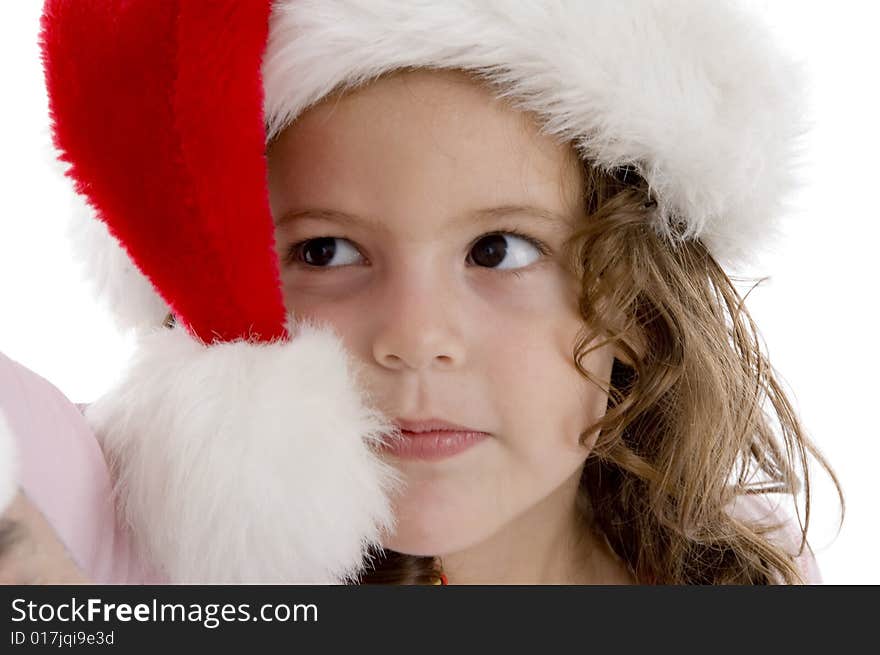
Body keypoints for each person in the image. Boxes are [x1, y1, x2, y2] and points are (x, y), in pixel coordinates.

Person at [0, 0, 842, 585]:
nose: (414, 335)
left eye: (498, 249)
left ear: (635, 304)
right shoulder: (139, 549)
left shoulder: (749, 566)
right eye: (325, 250)